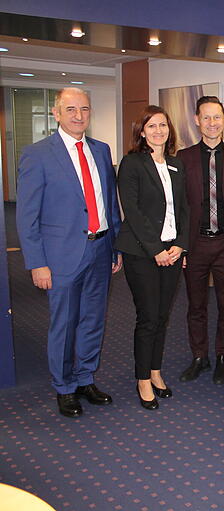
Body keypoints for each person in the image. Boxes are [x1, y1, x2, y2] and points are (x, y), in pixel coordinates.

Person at [16, 87, 122, 418]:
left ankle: (84, 378)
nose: (79, 115)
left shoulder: (102, 150)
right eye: (71, 109)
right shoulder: (38, 154)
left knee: (93, 320)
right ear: (57, 113)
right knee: (64, 323)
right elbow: (27, 215)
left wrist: (115, 245)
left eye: (85, 109)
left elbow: (109, 202)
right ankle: (63, 387)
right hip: (60, 256)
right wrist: (37, 263)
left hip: (101, 249)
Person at [115, 105, 189, 410]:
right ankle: (142, 378)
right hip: (142, 253)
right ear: (141, 131)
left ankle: (156, 370)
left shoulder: (175, 164)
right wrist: (156, 249)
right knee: (147, 317)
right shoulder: (131, 163)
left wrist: (181, 245)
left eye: (163, 125)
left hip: (172, 251)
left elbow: (184, 207)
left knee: (162, 316)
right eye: (152, 126)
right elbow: (132, 212)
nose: (159, 131)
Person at [177, 96, 224, 384]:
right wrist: (180, 246)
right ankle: (199, 356)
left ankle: (222, 355)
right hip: (194, 245)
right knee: (195, 306)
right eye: (206, 117)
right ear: (196, 120)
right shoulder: (182, 159)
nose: (212, 123)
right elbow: (178, 206)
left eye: (216, 117)